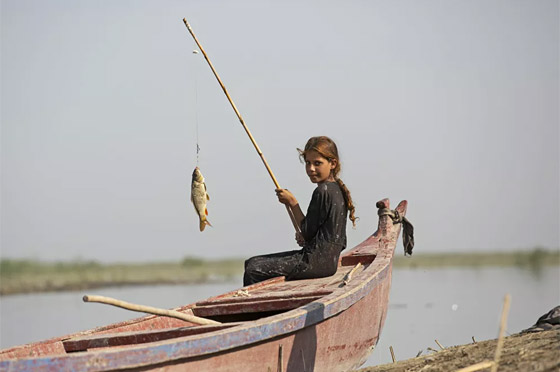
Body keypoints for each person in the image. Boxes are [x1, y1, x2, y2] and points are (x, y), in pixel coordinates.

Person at [243, 136, 357, 286]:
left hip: (316, 263)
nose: (311, 169)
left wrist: (292, 202)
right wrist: (308, 239)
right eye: (308, 163)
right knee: (251, 262)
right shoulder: (336, 189)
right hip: (327, 262)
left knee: (253, 269)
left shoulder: (322, 191)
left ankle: (260, 309)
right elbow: (317, 235)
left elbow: (307, 232)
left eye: (317, 163)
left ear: (332, 163)